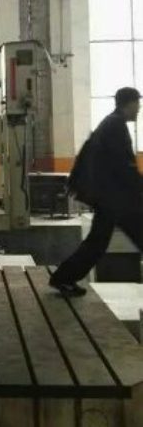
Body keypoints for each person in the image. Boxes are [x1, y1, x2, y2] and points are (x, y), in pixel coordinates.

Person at [49, 86, 143, 297]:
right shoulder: (115, 126)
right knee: (101, 241)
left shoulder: (111, 123)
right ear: (129, 104)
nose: (139, 109)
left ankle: (63, 278)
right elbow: (124, 167)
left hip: (111, 198)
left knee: (97, 242)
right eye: (137, 104)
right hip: (116, 200)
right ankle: (63, 278)